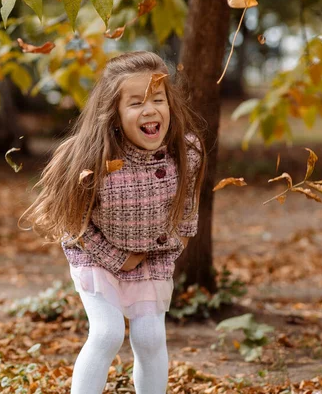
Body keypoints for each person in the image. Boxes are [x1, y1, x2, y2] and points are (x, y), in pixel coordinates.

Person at [20, 51, 207, 394]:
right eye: (135, 103)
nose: (150, 110)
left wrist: (162, 249)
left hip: (151, 257)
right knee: (106, 333)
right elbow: (71, 222)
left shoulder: (186, 152)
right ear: (116, 114)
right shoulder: (91, 156)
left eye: (158, 99)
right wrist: (115, 257)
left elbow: (186, 219)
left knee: (150, 338)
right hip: (95, 254)